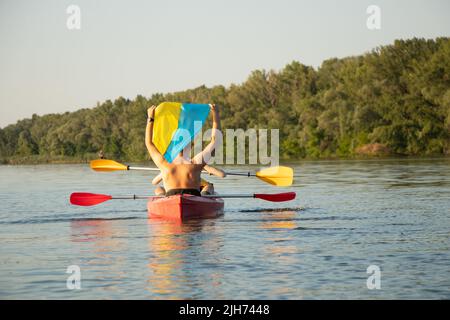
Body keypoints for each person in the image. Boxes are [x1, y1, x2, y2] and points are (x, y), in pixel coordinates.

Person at [145, 103, 222, 196]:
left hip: (170, 196)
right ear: (190, 145)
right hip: (194, 196)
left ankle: (161, 198)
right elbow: (215, 141)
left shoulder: (164, 163)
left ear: (172, 144)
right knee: (207, 189)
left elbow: (149, 143)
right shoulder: (195, 163)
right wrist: (216, 114)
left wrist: (150, 118)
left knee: (159, 190)